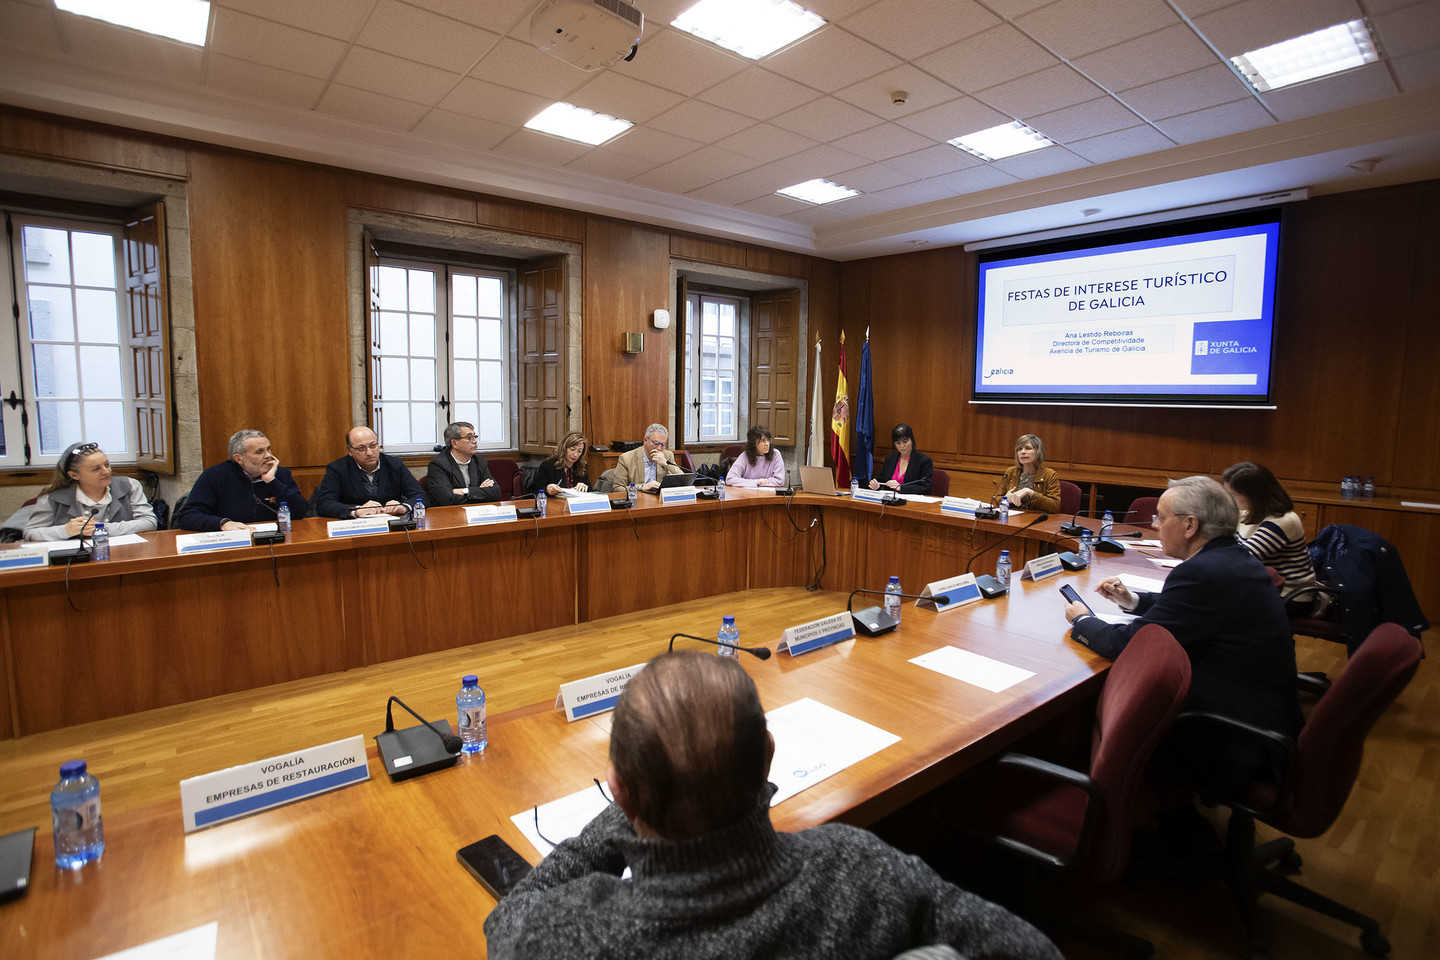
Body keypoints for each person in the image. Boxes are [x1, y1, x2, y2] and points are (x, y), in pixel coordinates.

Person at [483, 652, 1062, 960]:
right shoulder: (857, 867)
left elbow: (504, 922)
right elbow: (1032, 949)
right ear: (767, 759)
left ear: (620, 790)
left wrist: (619, 816)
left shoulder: (567, 932)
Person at [1063, 476, 1301, 792]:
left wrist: (1082, 622)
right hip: (1263, 718)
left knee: (1091, 716)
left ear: (1190, 526)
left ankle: (1135, 818)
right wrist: (1132, 600)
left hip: (1232, 737)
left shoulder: (1204, 571)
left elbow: (1130, 646)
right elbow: (1189, 609)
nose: (1155, 524)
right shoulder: (1232, 557)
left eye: (1161, 517)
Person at [1222, 461, 1321, 616]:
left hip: (1290, 597)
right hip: (1263, 587)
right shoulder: (1247, 512)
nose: (1229, 499)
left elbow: (1242, 558)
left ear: (1254, 495)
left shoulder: (1282, 521)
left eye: (1233, 495)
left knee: (1219, 608)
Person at [176, 429, 309, 531]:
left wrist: (272, 482)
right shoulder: (215, 476)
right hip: (232, 544)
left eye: (268, 449)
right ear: (238, 458)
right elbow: (188, 516)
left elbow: (300, 512)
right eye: (259, 452)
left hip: (274, 541)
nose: (269, 456)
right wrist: (223, 523)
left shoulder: (280, 474)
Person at [24, 441, 157, 541]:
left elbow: (149, 522)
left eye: (107, 464)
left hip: (124, 555)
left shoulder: (129, 486)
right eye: (96, 469)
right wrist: (65, 530)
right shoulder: (53, 497)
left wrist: (103, 529)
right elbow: (30, 533)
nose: (106, 472)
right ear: (74, 475)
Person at [311, 426, 424, 519]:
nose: (369, 452)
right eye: (361, 448)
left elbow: (420, 495)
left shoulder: (395, 465)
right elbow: (324, 504)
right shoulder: (338, 469)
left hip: (391, 525)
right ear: (350, 451)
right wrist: (356, 510)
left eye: (373, 446)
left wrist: (404, 507)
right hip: (353, 528)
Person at [425, 421, 502, 506]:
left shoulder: (479, 462)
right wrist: (480, 493)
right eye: (469, 437)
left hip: (476, 514)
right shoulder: (438, 465)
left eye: (475, 437)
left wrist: (465, 491)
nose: (475, 441)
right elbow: (447, 500)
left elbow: (495, 492)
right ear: (454, 443)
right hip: (449, 515)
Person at [995, 434, 1060, 512]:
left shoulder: (1049, 474)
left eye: (1028, 448)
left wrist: (1030, 492)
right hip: (1014, 518)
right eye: (1019, 449)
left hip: (1036, 519)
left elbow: (1055, 506)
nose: (1022, 452)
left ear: (1038, 452)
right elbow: (998, 499)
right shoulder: (1011, 471)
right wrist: (1006, 499)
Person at [613, 423, 682, 493]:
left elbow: (682, 480)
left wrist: (666, 464)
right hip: (638, 499)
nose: (659, 448)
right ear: (645, 440)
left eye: (662, 444)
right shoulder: (626, 458)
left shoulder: (667, 455)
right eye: (656, 443)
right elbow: (617, 488)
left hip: (660, 499)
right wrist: (641, 487)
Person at [868, 422, 933, 494]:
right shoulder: (890, 459)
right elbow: (880, 481)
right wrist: (876, 486)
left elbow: (926, 488)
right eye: (898, 443)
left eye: (905, 442)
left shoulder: (924, 461)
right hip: (889, 501)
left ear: (912, 440)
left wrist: (901, 487)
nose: (902, 446)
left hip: (911, 502)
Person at [535, 431, 590, 496]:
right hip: (555, 503)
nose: (575, 454)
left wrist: (585, 487)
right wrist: (547, 489)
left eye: (579, 451)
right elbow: (536, 491)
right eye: (572, 449)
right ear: (564, 448)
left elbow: (591, 490)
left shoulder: (581, 467)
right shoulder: (548, 465)